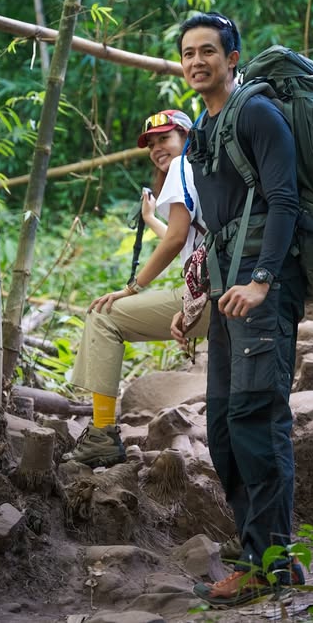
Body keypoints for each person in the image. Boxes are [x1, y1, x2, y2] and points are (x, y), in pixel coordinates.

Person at [172, 12, 306, 607]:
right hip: (226, 295)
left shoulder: (256, 112)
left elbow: (284, 201)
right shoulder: (204, 124)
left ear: (231, 57)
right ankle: (267, 558)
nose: (196, 61)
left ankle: (267, 566)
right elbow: (216, 224)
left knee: (257, 422)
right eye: (187, 53)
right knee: (224, 431)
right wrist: (197, 294)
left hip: (261, 293)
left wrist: (260, 280)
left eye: (207, 51)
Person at [63, 109, 209, 468]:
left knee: (104, 316)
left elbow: (176, 240)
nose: (158, 148)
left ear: (187, 136)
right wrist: (151, 219)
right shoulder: (206, 168)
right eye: (152, 143)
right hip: (226, 289)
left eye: (165, 138)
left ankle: (100, 436)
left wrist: (132, 288)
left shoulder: (182, 166)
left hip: (209, 296)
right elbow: (189, 239)